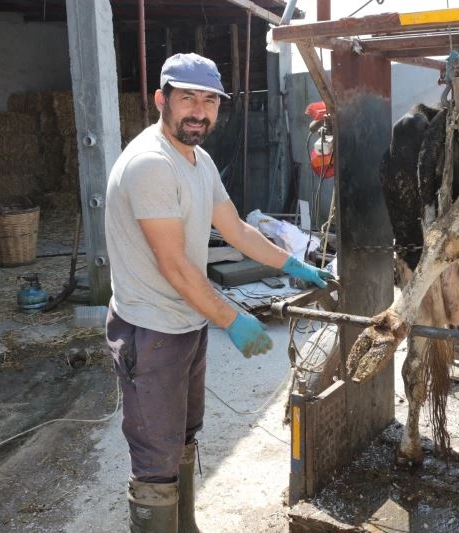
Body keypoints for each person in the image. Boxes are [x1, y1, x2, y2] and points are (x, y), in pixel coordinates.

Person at [104, 52, 333, 533]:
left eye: (209, 101)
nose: (199, 111)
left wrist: (293, 263)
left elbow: (236, 230)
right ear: (161, 99)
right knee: (155, 458)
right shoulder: (151, 164)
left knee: (183, 437)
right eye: (187, 98)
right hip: (151, 330)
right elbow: (175, 266)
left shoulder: (198, 160)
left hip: (186, 322)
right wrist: (233, 318)